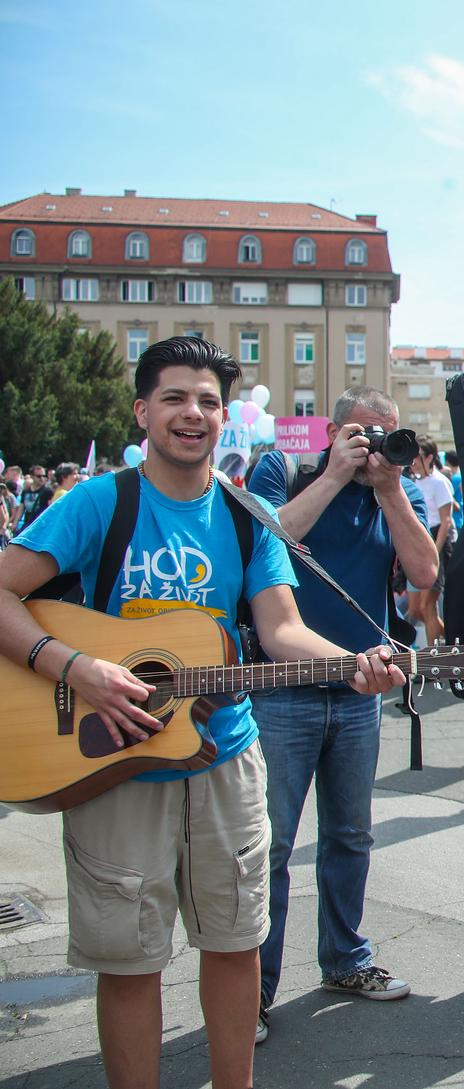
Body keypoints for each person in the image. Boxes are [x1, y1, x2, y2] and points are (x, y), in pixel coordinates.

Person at [0, 336, 404, 1087]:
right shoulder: (100, 501)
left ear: (226, 418)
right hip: (112, 766)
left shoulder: (247, 513)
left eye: (210, 401)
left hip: (225, 757)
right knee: (130, 960)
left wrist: (354, 662)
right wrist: (74, 666)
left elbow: (281, 629)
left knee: (237, 941)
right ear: (143, 411)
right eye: (177, 397)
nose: (194, 413)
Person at [248, 385, 439, 1037]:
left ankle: (346, 959)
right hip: (281, 688)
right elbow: (269, 541)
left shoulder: (395, 490)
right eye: (360, 433)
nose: (371, 447)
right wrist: (334, 473)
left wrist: (388, 488)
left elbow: (424, 570)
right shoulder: (285, 469)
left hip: (361, 693)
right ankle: (251, 992)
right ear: (331, 430)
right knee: (269, 844)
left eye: (384, 434)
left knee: (350, 836)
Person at [407, 434, 457, 647]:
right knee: (415, 609)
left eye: (416, 457)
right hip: (418, 541)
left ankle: (433, 661)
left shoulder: (440, 482)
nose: (412, 462)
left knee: (428, 607)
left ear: (429, 458)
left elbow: (446, 520)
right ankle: (456, 642)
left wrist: (434, 551)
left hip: (437, 542)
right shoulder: (413, 481)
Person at [17, 463, 50, 531]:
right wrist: (15, 523)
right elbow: (21, 508)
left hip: (41, 527)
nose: (42, 478)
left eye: (44, 476)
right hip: (28, 525)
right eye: (39, 476)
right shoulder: (25, 491)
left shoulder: (48, 492)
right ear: (32, 476)